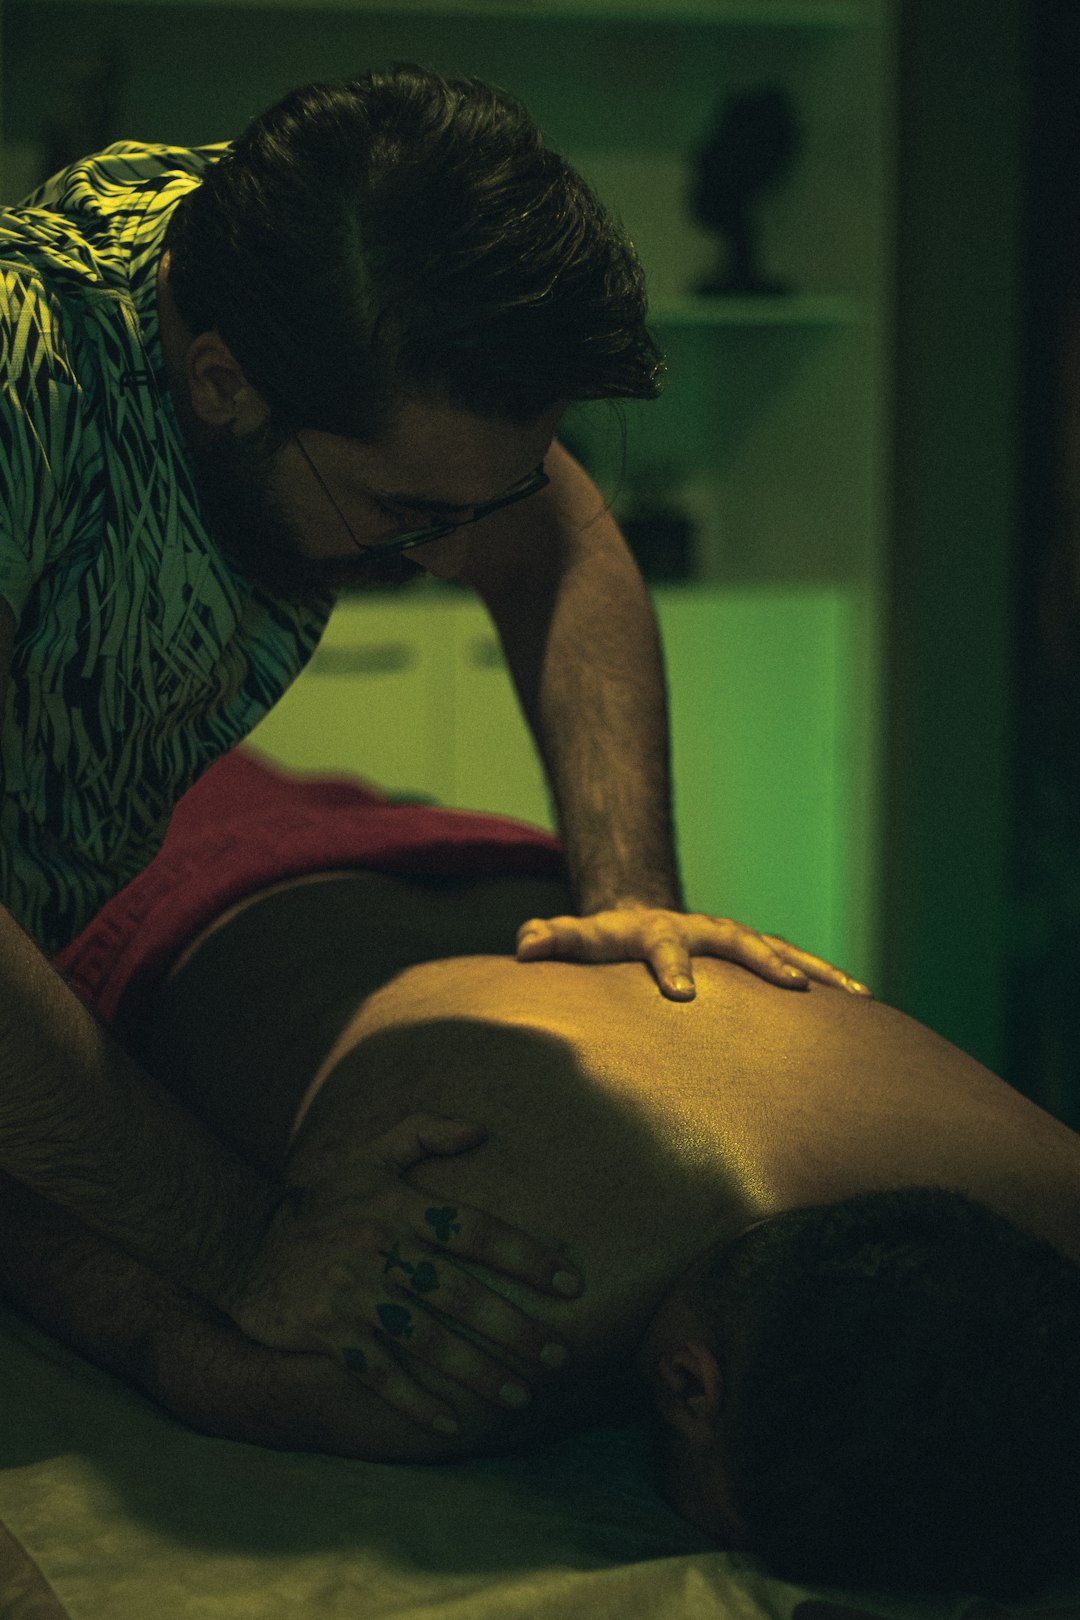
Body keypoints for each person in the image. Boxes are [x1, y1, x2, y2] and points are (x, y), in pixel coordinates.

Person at [0, 66, 867, 1385]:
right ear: (222, 385)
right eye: (403, 511)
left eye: (479, 497)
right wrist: (242, 1246)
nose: (452, 551)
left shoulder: (314, 262)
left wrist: (631, 894)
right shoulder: (28, 385)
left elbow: (558, 542)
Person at [3, 750, 1078, 1605]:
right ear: (689, 1386)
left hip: (497, 870)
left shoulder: (1039, 1179)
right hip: (154, 897)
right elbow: (44, 1231)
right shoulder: (456, 1332)